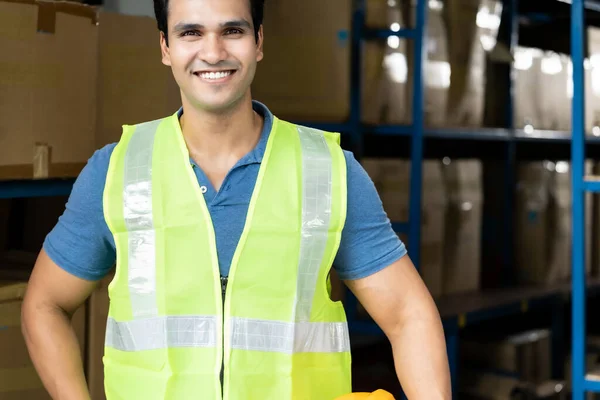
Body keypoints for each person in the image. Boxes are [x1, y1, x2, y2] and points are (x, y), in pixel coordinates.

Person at [20, 0, 451, 398]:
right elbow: (45, 304)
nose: (213, 52)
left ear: (259, 42)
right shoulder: (117, 170)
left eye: (232, 31)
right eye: (190, 33)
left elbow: (408, 316)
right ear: (165, 47)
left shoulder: (328, 170)